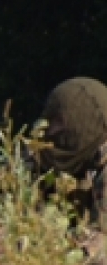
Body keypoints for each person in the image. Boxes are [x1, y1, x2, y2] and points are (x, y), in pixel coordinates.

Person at [33, 77, 107, 226]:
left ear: (84, 123)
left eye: (59, 121)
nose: (50, 130)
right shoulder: (90, 162)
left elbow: (98, 244)